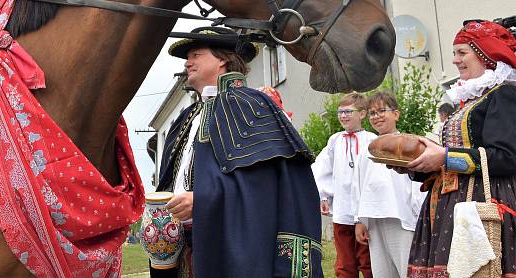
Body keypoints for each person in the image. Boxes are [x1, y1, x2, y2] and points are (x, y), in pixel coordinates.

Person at [153, 26, 323, 278]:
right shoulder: (186, 118)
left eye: (196, 55)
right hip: (183, 253)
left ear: (222, 59)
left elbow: (264, 189)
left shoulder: (253, 106)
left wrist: (203, 201)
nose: (188, 63)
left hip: (233, 251)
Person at [406, 20, 516, 276]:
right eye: (454, 53)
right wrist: (416, 162)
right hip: (449, 204)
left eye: (462, 52)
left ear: (485, 56)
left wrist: (445, 157)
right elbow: (446, 156)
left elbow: (506, 158)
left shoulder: (504, 95)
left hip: (482, 203)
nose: (455, 60)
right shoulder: (468, 100)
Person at [353, 91, 425, 277]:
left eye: (381, 111)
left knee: (406, 268)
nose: (376, 117)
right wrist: (358, 220)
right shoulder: (366, 149)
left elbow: (418, 185)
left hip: (401, 215)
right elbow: (358, 185)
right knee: (382, 271)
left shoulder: (409, 144)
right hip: (374, 217)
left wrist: (419, 216)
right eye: (372, 113)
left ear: (396, 114)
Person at [311, 92, 375, 278]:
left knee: (367, 260)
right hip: (342, 210)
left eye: (348, 111)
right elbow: (323, 168)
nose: (343, 116)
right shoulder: (335, 140)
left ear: (362, 114)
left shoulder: (371, 140)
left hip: (364, 212)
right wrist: (323, 196)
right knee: (345, 263)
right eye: (340, 112)